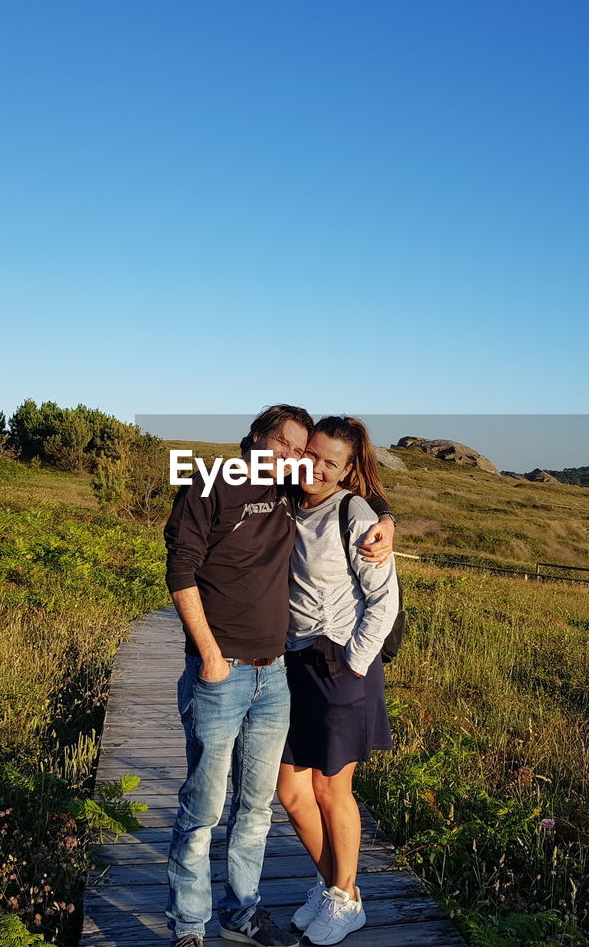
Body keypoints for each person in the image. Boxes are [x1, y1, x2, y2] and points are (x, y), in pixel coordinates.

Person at [163, 405, 395, 947]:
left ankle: (281, 905)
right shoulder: (218, 480)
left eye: (306, 452)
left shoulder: (312, 498)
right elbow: (179, 567)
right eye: (290, 448)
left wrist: (384, 518)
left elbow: (357, 504)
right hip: (228, 671)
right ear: (254, 440)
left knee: (269, 804)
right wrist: (210, 656)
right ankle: (191, 928)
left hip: (298, 673)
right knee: (216, 807)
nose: (297, 460)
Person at [277, 416, 400, 946]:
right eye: (312, 455)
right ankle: (335, 888)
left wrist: (355, 663)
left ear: (348, 471)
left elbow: (384, 599)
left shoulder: (355, 514)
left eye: (331, 462)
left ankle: (346, 898)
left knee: (332, 788)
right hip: (292, 665)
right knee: (291, 790)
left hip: (340, 665)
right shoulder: (285, 498)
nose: (317, 468)